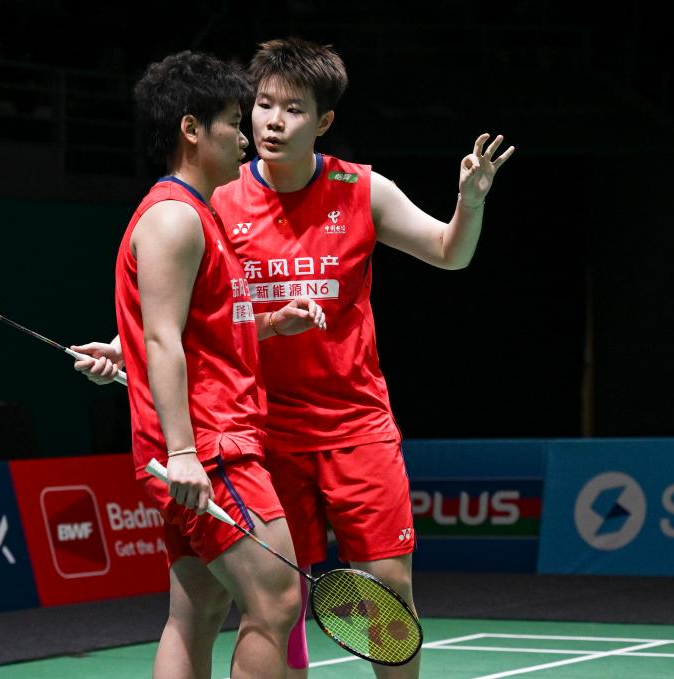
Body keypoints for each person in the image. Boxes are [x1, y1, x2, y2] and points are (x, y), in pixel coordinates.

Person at [205, 38, 515, 679]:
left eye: (293, 109)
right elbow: (186, 306)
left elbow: (449, 252)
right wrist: (123, 347)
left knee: (387, 590)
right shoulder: (221, 197)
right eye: (263, 105)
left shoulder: (362, 189)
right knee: (275, 600)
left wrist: (470, 203)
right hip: (261, 429)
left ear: (323, 121)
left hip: (355, 424)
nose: (272, 122)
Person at [107, 50, 327, 679]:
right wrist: (183, 454)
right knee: (277, 601)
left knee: (197, 612)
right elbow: (163, 340)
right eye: (234, 121)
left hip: (205, 444)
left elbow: (192, 329)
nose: (246, 136)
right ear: (191, 129)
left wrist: (270, 323)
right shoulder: (175, 219)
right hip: (210, 449)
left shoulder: (196, 214)